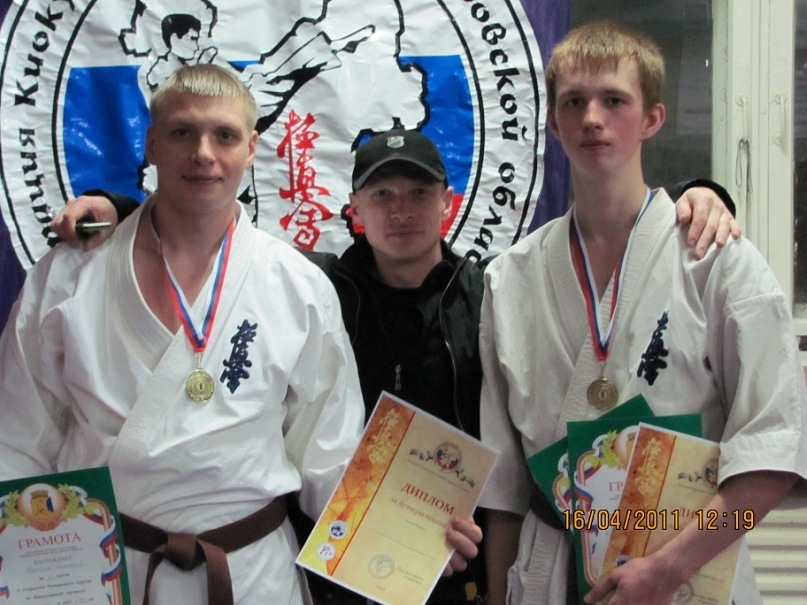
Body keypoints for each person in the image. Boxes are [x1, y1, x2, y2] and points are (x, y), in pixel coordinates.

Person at [52, 124, 739, 603]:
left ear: (449, 203)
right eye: (381, 194)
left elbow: (601, 245)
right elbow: (210, 233)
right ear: (353, 211)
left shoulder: (494, 291)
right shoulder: (312, 288)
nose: (401, 210)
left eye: (418, 192)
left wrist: (700, 194)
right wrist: (120, 208)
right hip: (335, 560)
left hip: (459, 557)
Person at [0, 64, 478, 605]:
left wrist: (414, 536)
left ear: (251, 148)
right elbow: (18, 441)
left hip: (252, 575)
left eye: (224, 135)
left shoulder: (296, 284)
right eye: (183, 132)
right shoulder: (68, 276)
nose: (203, 152)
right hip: (109, 571)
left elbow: (329, 455)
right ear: (152, 144)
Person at [478, 20, 807, 605]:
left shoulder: (716, 260)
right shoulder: (509, 278)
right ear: (552, 122)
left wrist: (669, 568)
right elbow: (503, 487)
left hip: (690, 572)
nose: (592, 118)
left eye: (614, 100)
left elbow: (774, 449)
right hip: (551, 571)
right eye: (573, 102)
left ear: (652, 118)